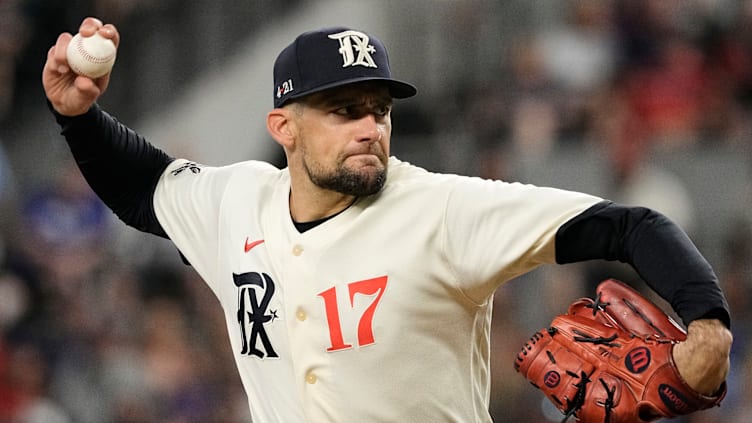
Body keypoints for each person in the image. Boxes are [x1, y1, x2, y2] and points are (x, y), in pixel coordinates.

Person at [42, 17, 732, 423]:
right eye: (345, 110)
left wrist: (708, 325)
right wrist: (78, 117)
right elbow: (145, 189)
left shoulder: (443, 211)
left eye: (379, 107)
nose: (370, 125)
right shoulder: (236, 202)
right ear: (283, 126)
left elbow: (631, 224)